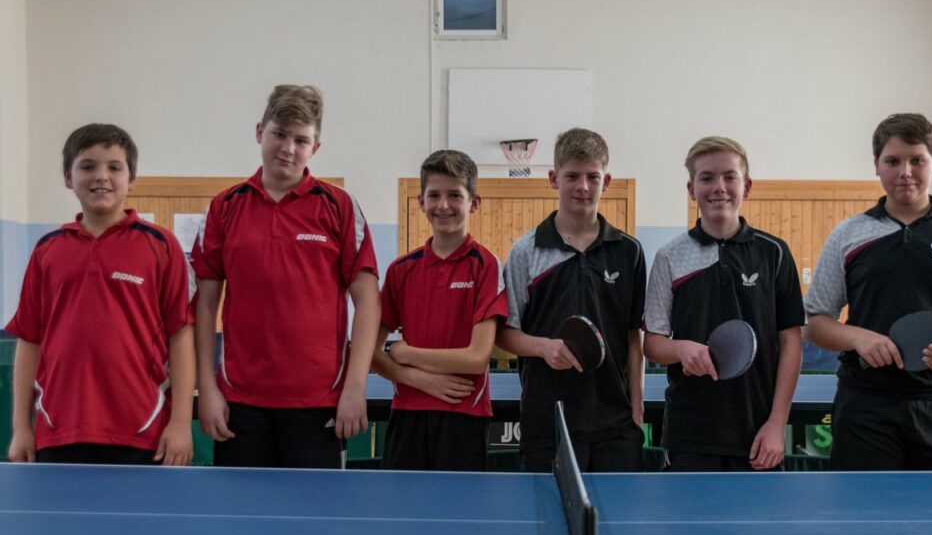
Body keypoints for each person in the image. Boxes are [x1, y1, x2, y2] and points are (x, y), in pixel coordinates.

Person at [804, 113, 932, 470]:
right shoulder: (848, 235)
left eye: (917, 160)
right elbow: (816, 323)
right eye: (893, 161)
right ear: (876, 166)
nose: (905, 171)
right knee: (864, 517)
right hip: (867, 403)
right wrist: (858, 338)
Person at [191, 85, 380, 468]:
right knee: (242, 521)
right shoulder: (224, 207)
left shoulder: (340, 207)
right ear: (260, 131)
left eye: (301, 140)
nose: (288, 148)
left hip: (318, 400)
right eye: (279, 134)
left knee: (313, 522)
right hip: (240, 402)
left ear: (316, 147)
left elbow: (368, 302)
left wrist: (355, 387)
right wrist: (206, 387)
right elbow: (204, 304)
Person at [6, 123, 195, 465]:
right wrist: (21, 427)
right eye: (88, 166)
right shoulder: (47, 251)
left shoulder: (160, 245)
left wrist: (181, 424)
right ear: (68, 177)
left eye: (114, 167)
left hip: (143, 428)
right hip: (57, 428)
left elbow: (180, 335)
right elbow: (29, 341)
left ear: (131, 179)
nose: (101, 176)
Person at [644, 136, 804, 472]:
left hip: (758, 432)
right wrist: (682, 349)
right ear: (691, 188)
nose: (719, 187)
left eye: (729, 176)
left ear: (746, 186)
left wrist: (777, 424)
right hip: (690, 433)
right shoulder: (669, 256)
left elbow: (790, 343)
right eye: (707, 177)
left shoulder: (774, 253)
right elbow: (654, 344)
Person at [498, 128, 646, 472]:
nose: (583, 186)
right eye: (572, 176)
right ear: (553, 179)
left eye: (592, 177)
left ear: (606, 181)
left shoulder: (629, 252)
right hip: (547, 421)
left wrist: (636, 410)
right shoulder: (525, 251)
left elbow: (633, 338)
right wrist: (544, 348)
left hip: (615, 425)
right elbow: (506, 334)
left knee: (617, 523)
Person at [372, 150, 507, 471]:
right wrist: (415, 378)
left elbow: (477, 358)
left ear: (474, 203)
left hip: (464, 415)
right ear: (420, 202)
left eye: (454, 195)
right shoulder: (400, 271)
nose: (443, 205)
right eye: (434, 195)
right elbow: (372, 352)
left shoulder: (486, 265)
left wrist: (406, 352)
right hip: (408, 411)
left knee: (460, 516)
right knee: (403, 513)